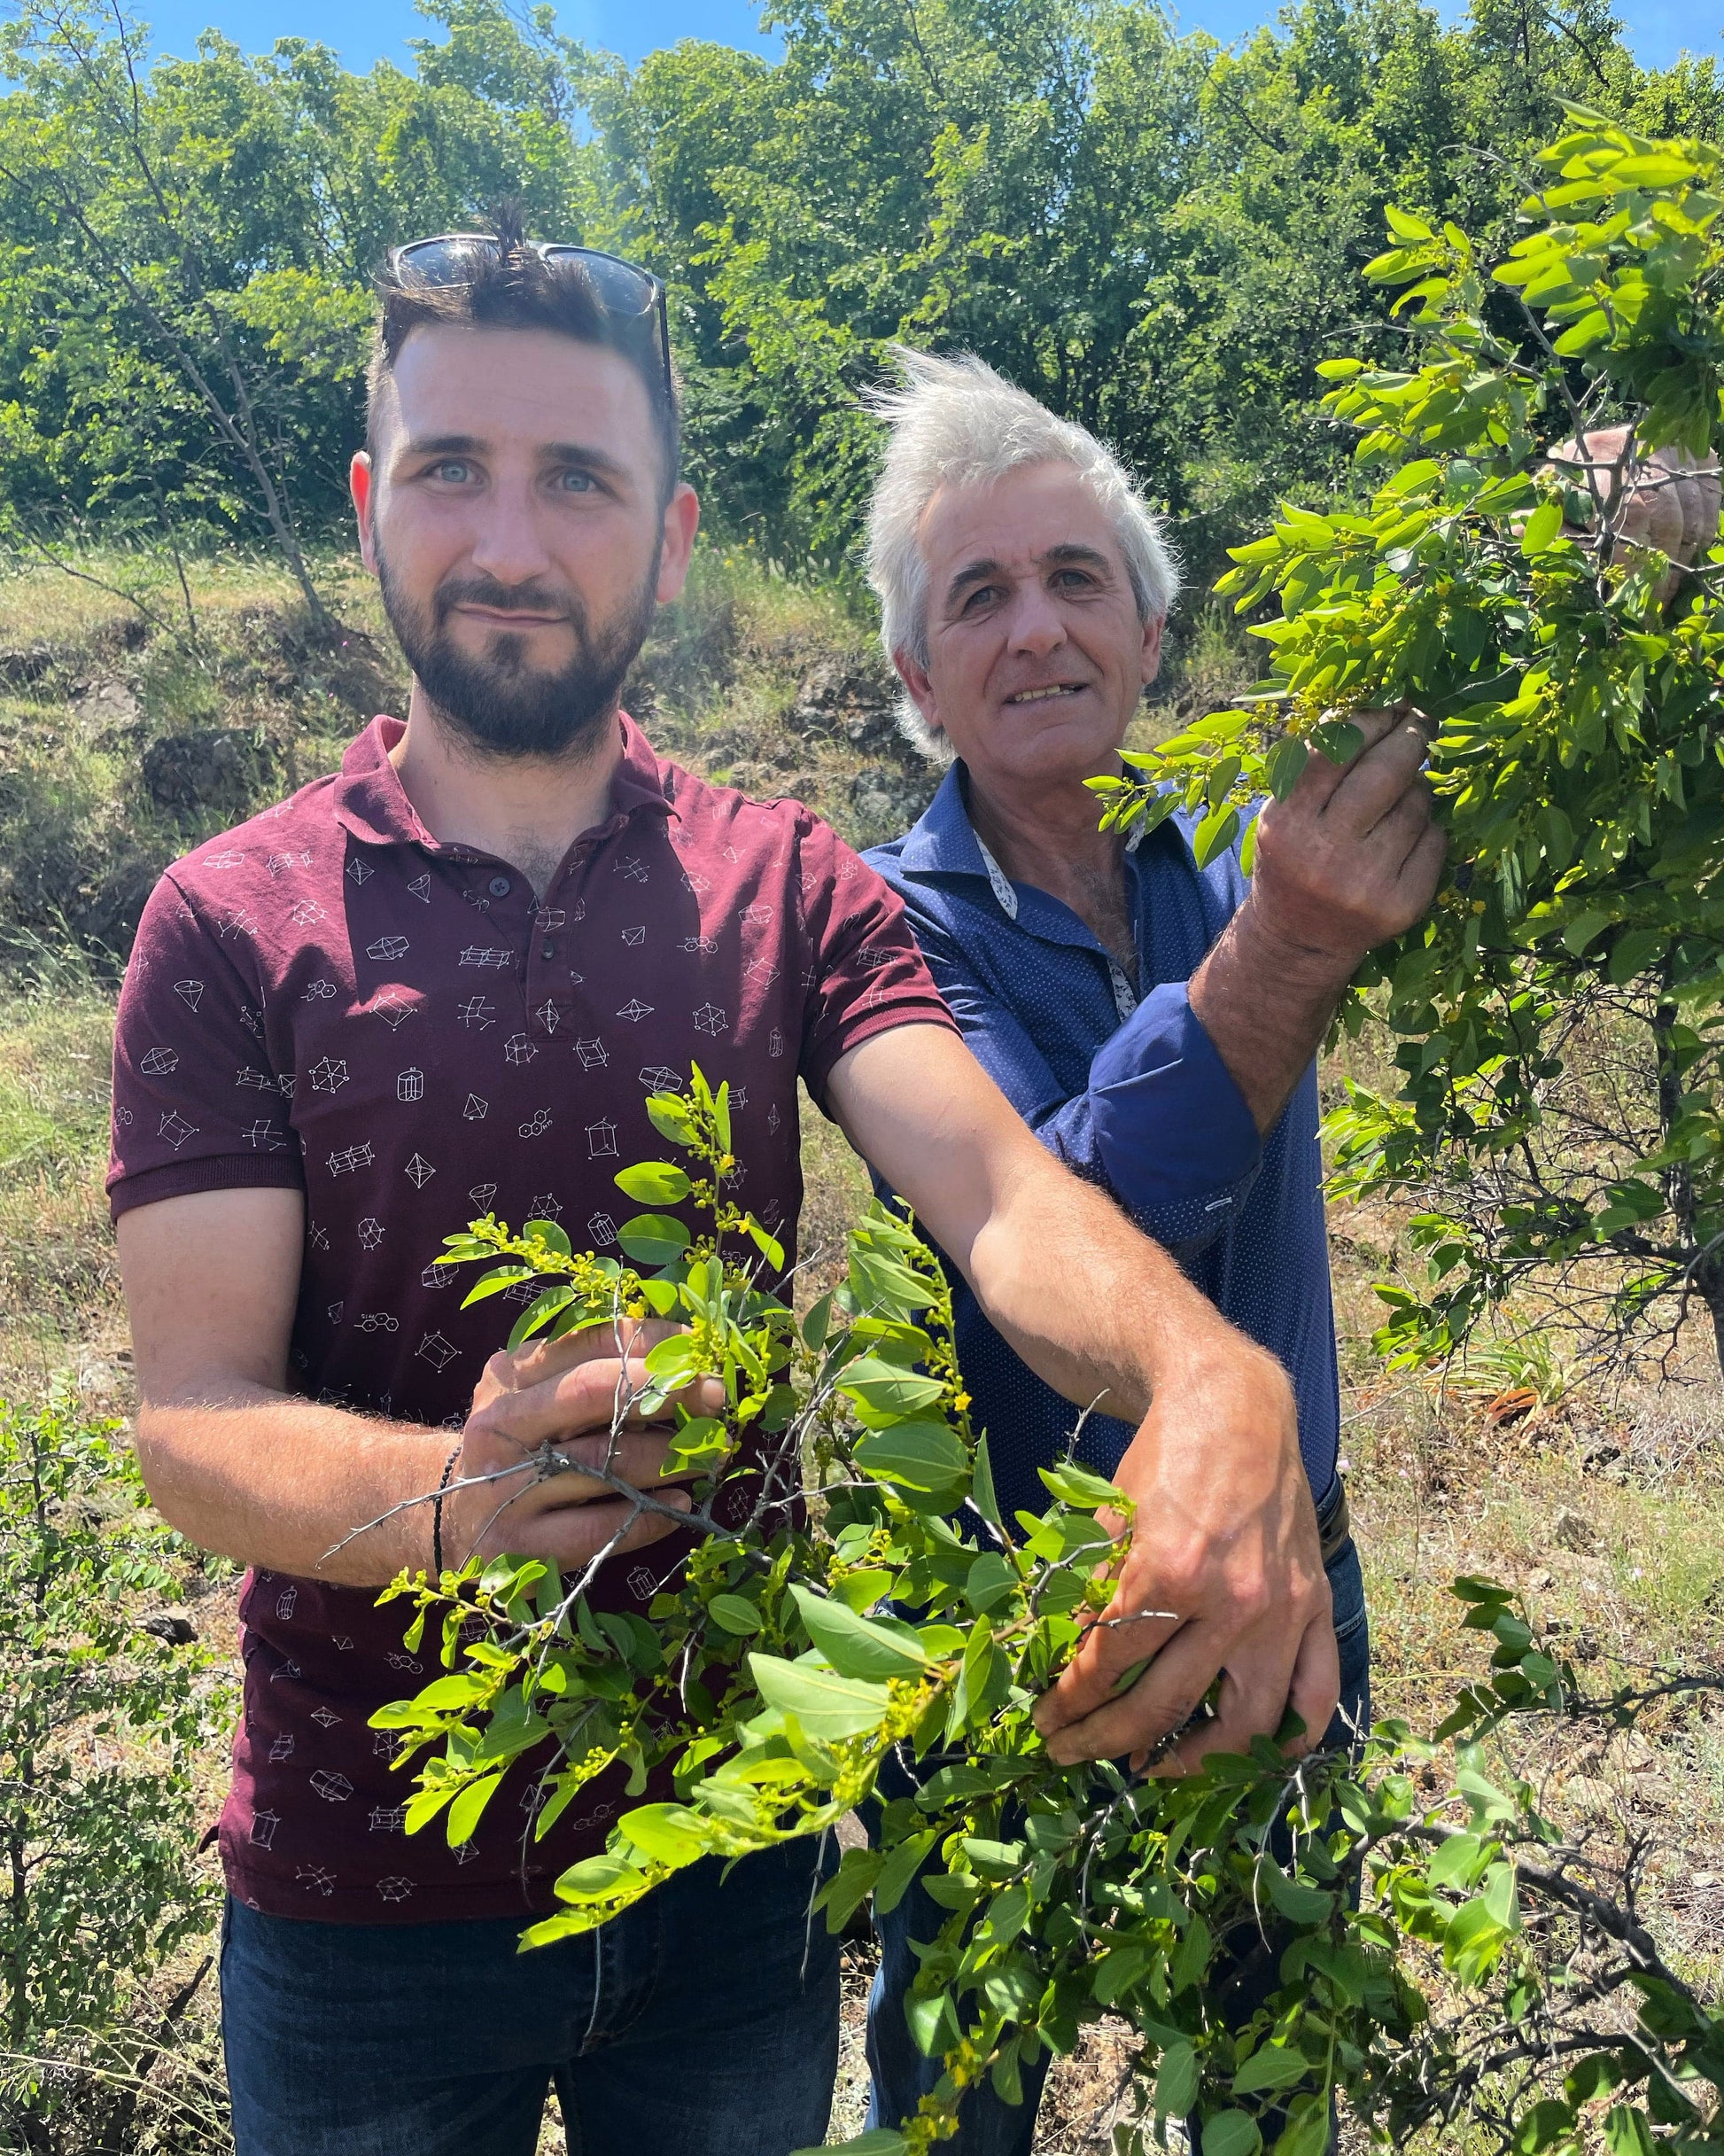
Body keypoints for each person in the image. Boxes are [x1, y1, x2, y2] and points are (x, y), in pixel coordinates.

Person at [108, 228, 1334, 2156]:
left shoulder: (785, 887)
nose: (511, 540)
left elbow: (1001, 1192)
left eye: (579, 480)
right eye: (451, 469)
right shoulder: (229, 918)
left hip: (733, 1869)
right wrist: (456, 1499)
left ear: (672, 539)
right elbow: (192, 1423)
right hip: (360, 1897)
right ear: (368, 505)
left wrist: (1210, 1372)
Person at [858, 347, 1446, 2152]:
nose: (1035, 627)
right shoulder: (880, 927)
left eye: (1075, 578)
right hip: (1000, 1619)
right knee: (957, 2091)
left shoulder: (1252, 837)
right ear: (915, 677)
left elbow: (1462, 715)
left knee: (1272, 2070)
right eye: (977, 595)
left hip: (1281, 1568)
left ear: (1150, 627)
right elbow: (1057, 1203)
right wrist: (1285, 949)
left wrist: (1596, 513)